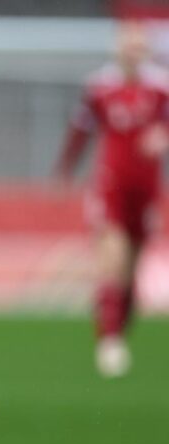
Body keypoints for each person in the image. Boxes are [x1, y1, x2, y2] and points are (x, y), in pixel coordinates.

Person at [56, 22, 169, 378]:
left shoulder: (161, 88)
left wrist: (162, 135)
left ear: (147, 51)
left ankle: (118, 330)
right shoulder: (99, 87)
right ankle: (108, 340)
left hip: (147, 190)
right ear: (117, 49)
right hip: (110, 186)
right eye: (127, 45)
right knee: (113, 261)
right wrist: (66, 169)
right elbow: (81, 130)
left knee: (132, 275)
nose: (133, 51)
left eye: (139, 46)